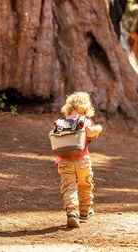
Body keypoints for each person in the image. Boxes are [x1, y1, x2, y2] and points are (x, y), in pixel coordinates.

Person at [49, 92, 103, 227]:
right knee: (85, 184)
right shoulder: (85, 120)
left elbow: (51, 135)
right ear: (85, 110)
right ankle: (85, 210)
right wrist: (99, 128)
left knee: (69, 187)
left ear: (67, 110)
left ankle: (72, 212)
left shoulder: (62, 122)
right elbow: (90, 132)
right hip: (82, 160)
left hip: (64, 160)